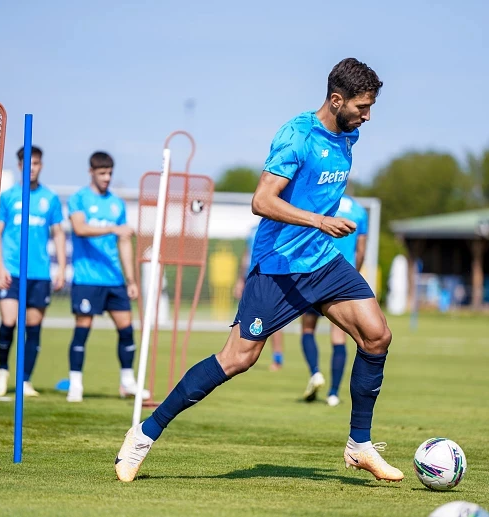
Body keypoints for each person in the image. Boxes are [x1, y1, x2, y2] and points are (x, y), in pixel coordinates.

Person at [115, 57, 403, 484]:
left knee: (377, 335)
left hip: (322, 261)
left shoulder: (348, 136)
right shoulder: (296, 136)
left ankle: (359, 445)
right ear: (336, 100)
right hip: (279, 266)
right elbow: (262, 201)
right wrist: (320, 221)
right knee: (237, 358)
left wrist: (321, 232)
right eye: (361, 107)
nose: (367, 116)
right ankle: (143, 434)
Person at [65, 151, 149, 403]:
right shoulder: (79, 199)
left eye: (110, 173)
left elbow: (124, 242)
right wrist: (112, 228)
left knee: (126, 331)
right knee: (83, 330)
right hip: (87, 278)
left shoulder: (116, 204)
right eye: (102, 173)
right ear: (91, 172)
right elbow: (79, 228)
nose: (106, 178)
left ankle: (127, 383)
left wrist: (131, 280)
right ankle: (75, 384)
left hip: (114, 280)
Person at [0, 146, 66, 398]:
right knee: (9, 322)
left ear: (41, 166)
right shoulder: (8, 197)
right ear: (20, 165)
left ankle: (25, 380)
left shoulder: (50, 199)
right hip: (12, 270)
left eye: (36, 163)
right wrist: (0, 267)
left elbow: (58, 234)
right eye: (28, 163)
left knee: (33, 327)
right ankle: (2, 369)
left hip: (40, 274)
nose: (32, 168)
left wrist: (62, 268)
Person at [301, 194, 367, 406]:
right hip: (341, 278)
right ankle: (333, 394)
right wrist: (351, 277)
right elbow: (361, 251)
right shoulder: (359, 211)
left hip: (316, 274)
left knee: (308, 329)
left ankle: (315, 372)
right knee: (338, 338)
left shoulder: (321, 202)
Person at [234, 224, 285, 371]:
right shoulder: (252, 230)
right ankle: (239, 355)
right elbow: (246, 255)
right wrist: (240, 280)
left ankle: (277, 358)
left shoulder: (278, 227)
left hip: (269, 278)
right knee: (243, 317)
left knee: (273, 321)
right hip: (250, 277)